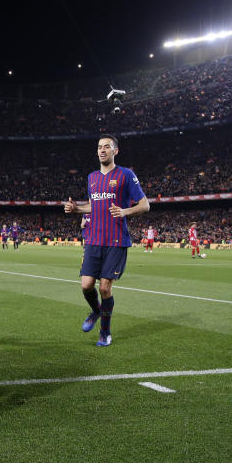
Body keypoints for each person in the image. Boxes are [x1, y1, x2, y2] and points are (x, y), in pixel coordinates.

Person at [64, 135, 149, 346]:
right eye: (100, 147)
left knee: (104, 288)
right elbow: (94, 206)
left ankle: (105, 332)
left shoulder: (126, 175)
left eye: (107, 147)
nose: (102, 150)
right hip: (93, 239)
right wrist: (76, 209)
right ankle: (96, 310)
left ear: (115, 151)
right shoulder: (92, 177)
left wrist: (125, 211)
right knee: (86, 286)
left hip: (116, 240)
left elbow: (145, 205)